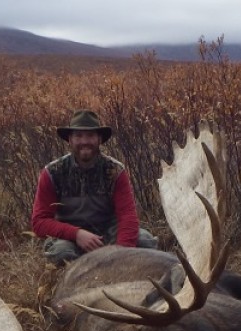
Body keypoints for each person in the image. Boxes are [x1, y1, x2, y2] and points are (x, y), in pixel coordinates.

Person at [31, 109, 158, 266]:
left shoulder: (116, 171)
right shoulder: (52, 173)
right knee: (61, 253)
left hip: (108, 234)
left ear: (99, 139)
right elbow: (39, 222)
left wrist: (121, 254)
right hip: (70, 239)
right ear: (69, 140)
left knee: (145, 242)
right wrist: (76, 234)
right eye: (78, 136)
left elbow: (128, 218)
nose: (85, 141)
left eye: (90, 135)